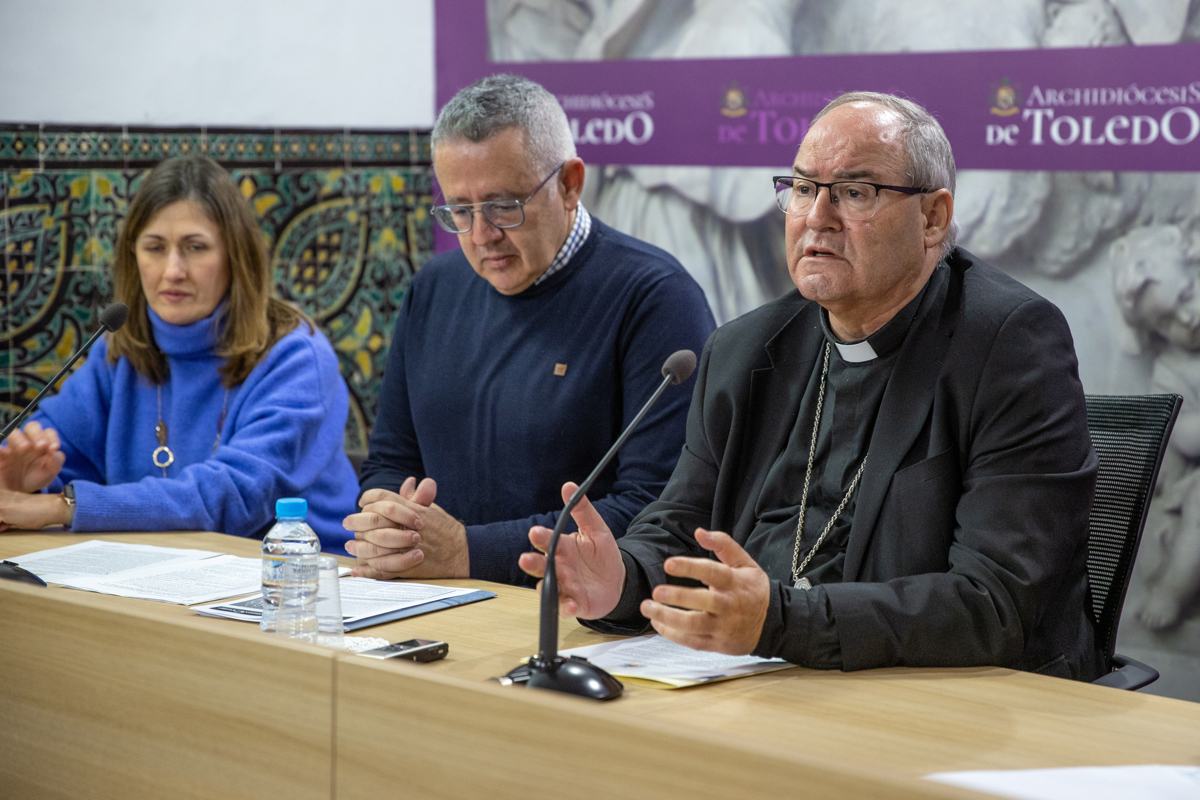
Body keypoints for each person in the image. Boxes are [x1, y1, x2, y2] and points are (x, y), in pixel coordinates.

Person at [520, 91, 1106, 680]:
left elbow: (998, 601)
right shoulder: (746, 349)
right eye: (802, 189)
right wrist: (623, 578)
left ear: (932, 217)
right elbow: (682, 522)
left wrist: (781, 621)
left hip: (945, 699)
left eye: (855, 192)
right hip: (767, 677)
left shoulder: (1009, 345)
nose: (817, 217)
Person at [346, 74, 715, 586]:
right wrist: (387, 523)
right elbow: (391, 460)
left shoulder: (655, 297)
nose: (481, 236)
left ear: (570, 184)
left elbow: (657, 508)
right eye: (460, 210)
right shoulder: (433, 287)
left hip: (576, 612)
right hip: (433, 591)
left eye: (503, 207)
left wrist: (468, 553)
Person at [0, 156, 359, 552]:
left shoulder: (296, 356)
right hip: (166, 578)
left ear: (235, 257)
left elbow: (235, 496)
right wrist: (23, 479)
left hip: (306, 582)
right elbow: (53, 451)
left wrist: (63, 505)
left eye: (195, 247)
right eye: (155, 247)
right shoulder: (120, 349)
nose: (173, 271)